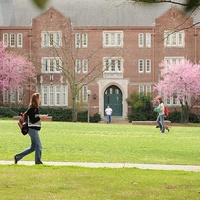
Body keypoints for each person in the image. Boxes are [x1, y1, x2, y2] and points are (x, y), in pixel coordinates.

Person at [14, 93, 47, 164]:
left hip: (33, 129)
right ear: (36, 99)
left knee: (33, 147)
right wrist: (40, 117)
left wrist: (40, 117)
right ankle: (38, 162)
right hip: (32, 129)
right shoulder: (32, 109)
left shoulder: (35, 108)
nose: (40, 99)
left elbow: (34, 119)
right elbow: (33, 120)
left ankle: (17, 157)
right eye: (39, 98)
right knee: (39, 145)